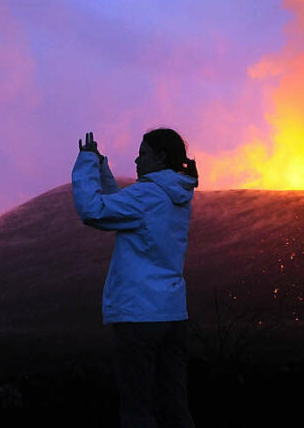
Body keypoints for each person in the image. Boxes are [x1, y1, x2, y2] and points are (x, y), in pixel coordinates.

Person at [72, 128, 198, 428]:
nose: (136, 159)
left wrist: (87, 163)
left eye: (143, 153)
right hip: (172, 313)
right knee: (175, 404)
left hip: (139, 315)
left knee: (137, 409)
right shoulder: (176, 195)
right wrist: (104, 169)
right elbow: (126, 210)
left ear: (160, 157)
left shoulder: (148, 194)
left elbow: (93, 211)